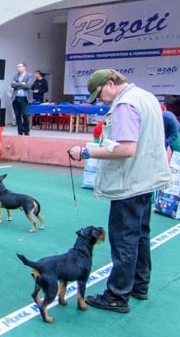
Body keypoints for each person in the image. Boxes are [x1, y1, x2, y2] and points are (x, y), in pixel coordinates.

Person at [67, 69, 171, 313]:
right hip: (146, 178)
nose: (101, 100)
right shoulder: (146, 97)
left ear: (111, 83)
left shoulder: (125, 105)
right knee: (141, 235)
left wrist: (85, 152)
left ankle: (116, 295)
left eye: (99, 93)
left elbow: (125, 149)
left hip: (129, 182)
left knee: (124, 240)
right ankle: (139, 285)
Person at [9, 62, 35, 135]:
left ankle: (26, 131)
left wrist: (17, 84)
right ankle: (20, 131)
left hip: (24, 98)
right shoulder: (16, 76)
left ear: (24, 67)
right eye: (17, 67)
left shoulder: (29, 75)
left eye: (20, 67)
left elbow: (28, 86)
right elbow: (12, 84)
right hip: (16, 98)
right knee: (17, 115)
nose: (18, 68)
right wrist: (21, 83)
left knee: (25, 115)